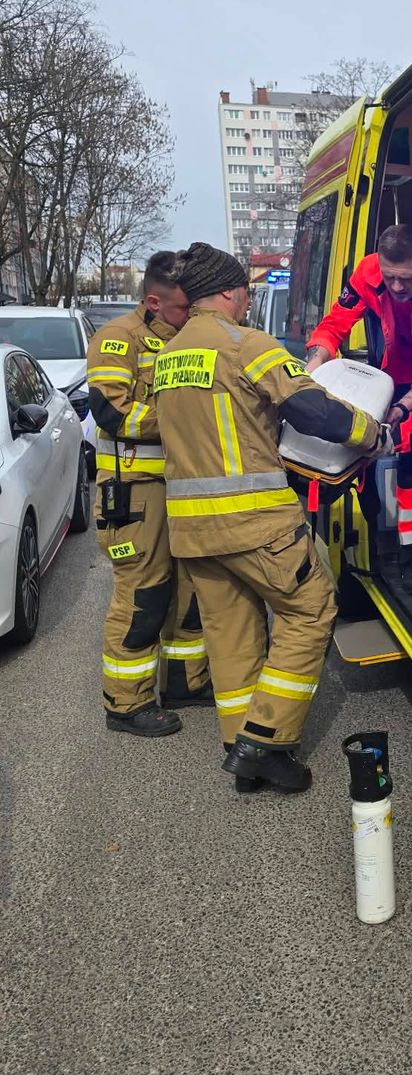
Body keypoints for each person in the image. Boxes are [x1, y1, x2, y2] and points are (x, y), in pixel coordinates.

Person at [154, 242, 383, 794]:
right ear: (231, 292)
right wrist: (371, 432)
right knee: (310, 609)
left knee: (230, 634)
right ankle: (267, 740)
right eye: (247, 294)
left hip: (191, 527)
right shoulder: (245, 344)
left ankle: (240, 748)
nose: (248, 303)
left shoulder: (171, 353)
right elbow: (312, 407)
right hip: (253, 519)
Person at [87, 250, 212, 737]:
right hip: (135, 493)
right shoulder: (119, 339)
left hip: (180, 487)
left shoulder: (185, 339)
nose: (191, 316)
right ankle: (125, 703)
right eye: (184, 309)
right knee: (143, 594)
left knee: (187, 588)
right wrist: (183, 419)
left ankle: (184, 680)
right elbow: (112, 412)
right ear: (155, 303)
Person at [305, 223, 412, 590]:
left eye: (406, 279)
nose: (397, 287)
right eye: (390, 278)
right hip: (390, 377)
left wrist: (402, 410)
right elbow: (334, 327)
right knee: (362, 455)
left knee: (411, 457)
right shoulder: (368, 272)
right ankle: (376, 549)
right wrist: (309, 374)